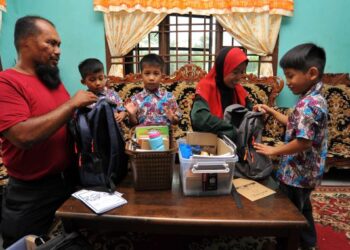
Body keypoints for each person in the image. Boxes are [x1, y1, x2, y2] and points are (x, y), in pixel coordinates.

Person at [0, 16, 97, 248]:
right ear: (26, 43)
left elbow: (64, 121)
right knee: (27, 244)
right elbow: (23, 136)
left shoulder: (51, 80)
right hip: (31, 194)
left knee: (70, 243)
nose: (58, 51)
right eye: (51, 43)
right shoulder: (7, 83)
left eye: (59, 45)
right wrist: (72, 104)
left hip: (67, 182)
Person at [253, 43, 328, 250]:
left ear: (311, 73)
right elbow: (293, 124)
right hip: (309, 172)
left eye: (291, 76)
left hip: (298, 174)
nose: (288, 82)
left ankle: (288, 242)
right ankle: (309, 243)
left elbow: (303, 142)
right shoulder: (315, 99)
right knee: (304, 209)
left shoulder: (308, 105)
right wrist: (270, 110)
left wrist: (273, 150)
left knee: (289, 211)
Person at [190, 47, 252, 141]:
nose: (239, 77)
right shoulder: (206, 86)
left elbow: (249, 113)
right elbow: (199, 118)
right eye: (235, 72)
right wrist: (231, 129)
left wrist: (258, 111)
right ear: (223, 69)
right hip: (211, 142)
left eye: (242, 72)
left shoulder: (239, 90)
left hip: (236, 143)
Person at [125, 54, 181, 126]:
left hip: (164, 136)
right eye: (147, 73)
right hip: (143, 136)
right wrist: (131, 114)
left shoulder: (169, 97)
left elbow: (176, 121)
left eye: (156, 73)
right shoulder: (135, 99)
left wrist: (173, 118)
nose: (151, 78)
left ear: (162, 76)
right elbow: (133, 123)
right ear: (141, 75)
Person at [78, 58, 127, 123]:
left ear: (105, 77)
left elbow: (122, 110)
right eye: (92, 80)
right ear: (83, 82)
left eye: (101, 78)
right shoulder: (84, 98)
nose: (98, 83)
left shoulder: (112, 94)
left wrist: (122, 115)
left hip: (113, 130)